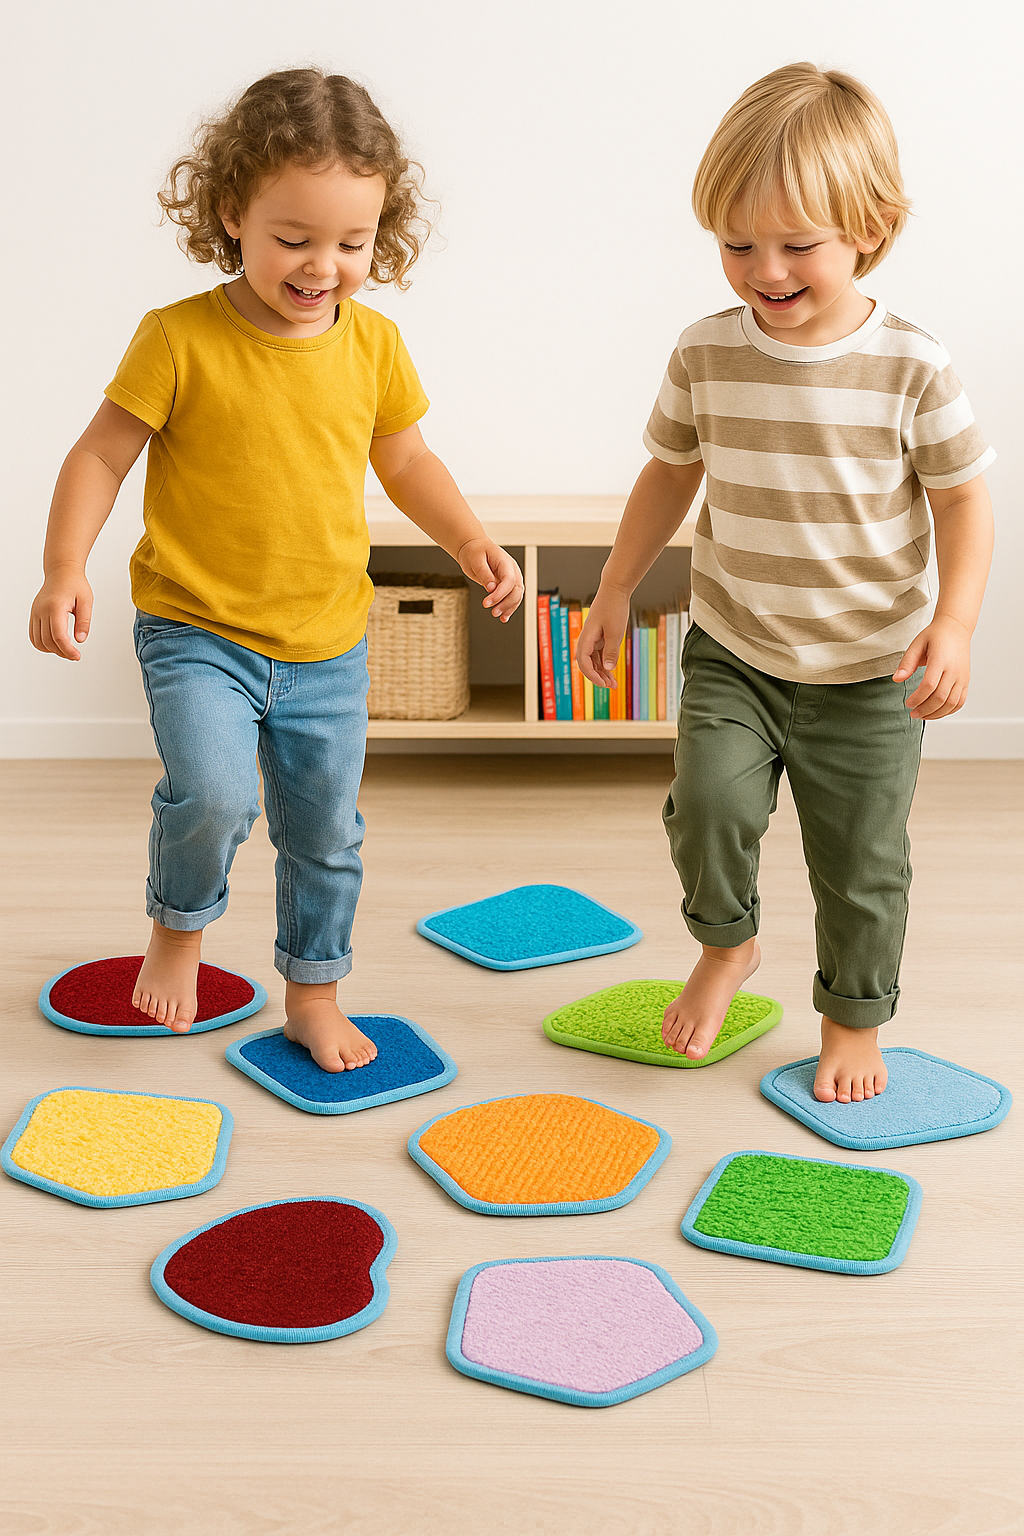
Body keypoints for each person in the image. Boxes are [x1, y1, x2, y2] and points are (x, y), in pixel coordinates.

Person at [29, 67, 523, 1071]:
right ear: (231, 216)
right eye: (292, 239)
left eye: (351, 244)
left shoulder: (374, 345)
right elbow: (100, 453)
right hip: (196, 630)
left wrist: (468, 541)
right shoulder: (179, 339)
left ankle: (313, 992)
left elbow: (408, 459)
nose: (322, 266)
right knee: (211, 795)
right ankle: (179, 933)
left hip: (327, 642)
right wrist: (63, 566)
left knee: (327, 836)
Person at [577, 62, 994, 1104]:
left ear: (871, 229)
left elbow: (963, 502)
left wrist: (955, 622)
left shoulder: (913, 366)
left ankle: (851, 1016)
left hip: (867, 670)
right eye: (736, 243)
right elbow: (668, 473)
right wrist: (617, 587)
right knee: (707, 808)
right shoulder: (706, 353)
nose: (763, 269)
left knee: (858, 863)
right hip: (735, 648)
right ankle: (728, 945)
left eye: (796, 244)